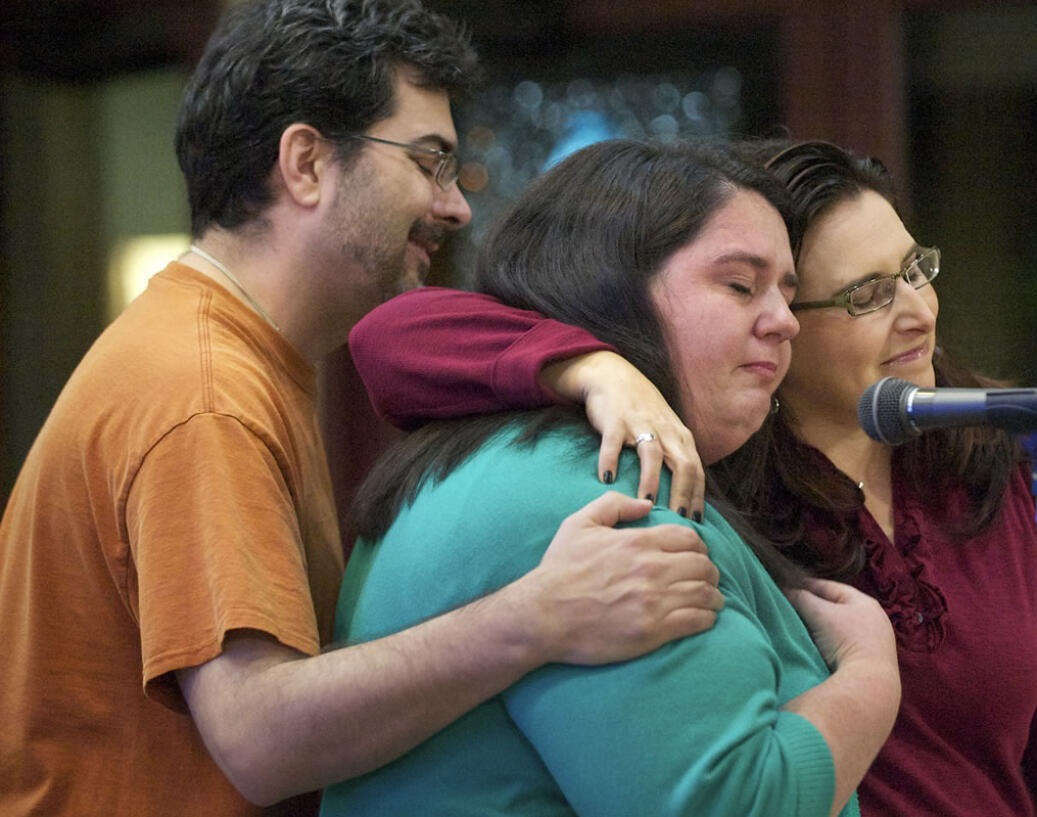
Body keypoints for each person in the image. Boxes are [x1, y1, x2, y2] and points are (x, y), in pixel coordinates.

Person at [0, 2, 724, 814]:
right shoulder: (205, 393)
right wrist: (541, 615)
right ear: (306, 163)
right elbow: (260, 738)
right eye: (429, 161)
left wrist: (588, 367)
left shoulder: (226, 353)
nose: (456, 207)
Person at [346, 139, 1037, 817]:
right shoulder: (701, 466)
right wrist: (592, 367)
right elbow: (393, 335)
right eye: (867, 293)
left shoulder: (1004, 454)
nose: (917, 310)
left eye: (918, 270)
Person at [321, 139, 901, 817]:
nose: (783, 322)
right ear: (612, 285)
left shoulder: (508, 451)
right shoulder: (609, 492)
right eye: (741, 285)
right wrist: (870, 676)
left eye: (786, 293)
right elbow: (735, 804)